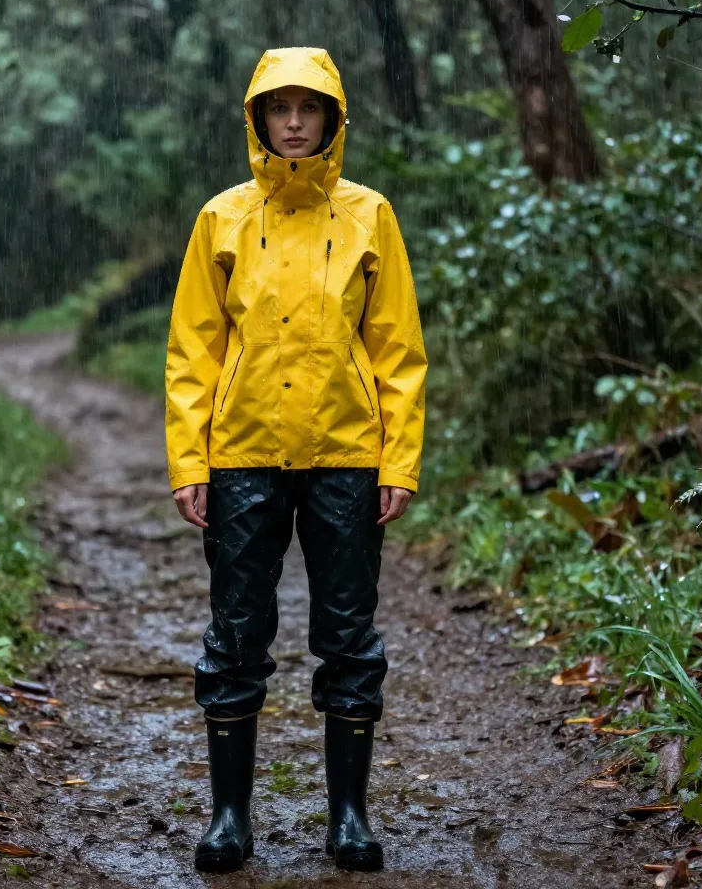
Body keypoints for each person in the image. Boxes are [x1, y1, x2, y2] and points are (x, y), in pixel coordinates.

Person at [163, 47, 426, 874]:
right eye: (279, 108)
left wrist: (398, 462)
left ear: (334, 119)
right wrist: (190, 463)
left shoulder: (370, 215)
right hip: (242, 454)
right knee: (237, 633)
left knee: (348, 636)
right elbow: (194, 350)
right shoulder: (222, 218)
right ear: (257, 119)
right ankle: (228, 819)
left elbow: (397, 347)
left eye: (309, 108)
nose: (294, 123)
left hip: (347, 454)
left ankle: (349, 818)